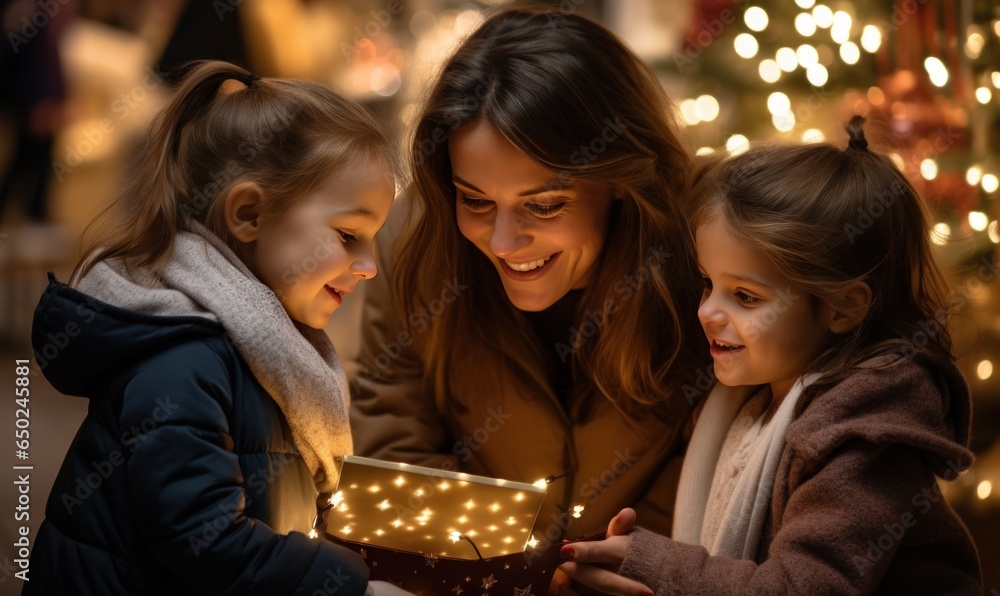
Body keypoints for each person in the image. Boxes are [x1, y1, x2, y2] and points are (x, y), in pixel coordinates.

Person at [25, 60, 410, 595]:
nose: (369, 265)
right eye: (349, 235)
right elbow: (202, 540)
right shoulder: (183, 360)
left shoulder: (265, 346)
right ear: (249, 213)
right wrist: (351, 588)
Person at [556, 116, 982, 594]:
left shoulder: (866, 435)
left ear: (842, 307)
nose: (707, 312)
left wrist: (658, 567)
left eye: (746, 296)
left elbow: (804, 588)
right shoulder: (749, 402)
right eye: (707, 283)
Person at [349, 5, 708, 553]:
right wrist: (505, 568)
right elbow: (392, 443)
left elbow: (709, 464)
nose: (501, 242)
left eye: (542, 206)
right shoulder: (414, 243)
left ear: (620, 180)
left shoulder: (704, 258)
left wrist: (625, 564)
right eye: (475, 200)